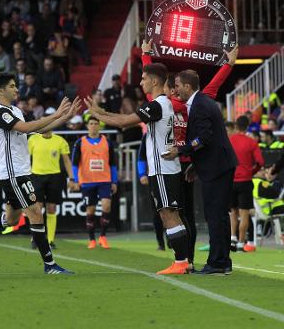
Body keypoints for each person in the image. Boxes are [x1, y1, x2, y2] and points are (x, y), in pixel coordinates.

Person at [0, 72, 80, 275]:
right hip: (13, 173)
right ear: (1, 90)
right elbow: (27, 127)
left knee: (12, 219)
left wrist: (65, 117)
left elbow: (38, 129)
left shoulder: (15, 111)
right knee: (36, 212)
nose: (16, 89)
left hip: (19, 171)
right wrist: (56, 114)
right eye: (12, 86)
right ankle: (50, 264)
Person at [85, 63, 191, 275]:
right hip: (167, 167)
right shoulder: (164, 104)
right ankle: (184, 260)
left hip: (162, 169)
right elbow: (125, 120)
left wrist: (98, 112)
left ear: (154, 81)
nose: (141, 82)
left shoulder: (156, 105)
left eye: (143, 79)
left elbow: (124, 122)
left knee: (168, 215)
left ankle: (181, 262)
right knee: (172, 215)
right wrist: (101, 112)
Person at [141, 40, 236, 269]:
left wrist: (228, 65)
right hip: (183, 162)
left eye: (176, 86)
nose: (173, 89)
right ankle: (188, 260)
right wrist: (146, 55)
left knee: (185, 215)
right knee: (182, 214)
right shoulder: (166, 105)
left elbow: (211, 87)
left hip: (182, 162)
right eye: (171, 86)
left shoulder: (185, 104)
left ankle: (189, 260)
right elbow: (150, 84)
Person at [167, 69, 238, 275]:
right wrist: (195, 165)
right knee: (219, 215)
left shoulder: (199, 106)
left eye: (178, 86)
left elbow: (203, 138)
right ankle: (222, 261)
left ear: (187, 87)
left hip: (217, 167)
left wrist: (180, 150)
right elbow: (208, 138)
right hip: (217, 165)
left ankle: (217, 263)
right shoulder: (202, 102)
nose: (176, 90)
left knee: (215, 215)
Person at [28, 107, 75, 248]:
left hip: (55, 177)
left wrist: (72, 178)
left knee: (51, 209)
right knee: (37, 209)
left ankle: (50, 240)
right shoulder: (33, 139)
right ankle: (35, 238)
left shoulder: (60, 141)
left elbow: (66, 161)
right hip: (37, 176)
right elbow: (25, 159)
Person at [71, 116, 118, 249]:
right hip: (87, 181)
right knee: (90, 210)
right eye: (91, 124)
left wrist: (114, 181)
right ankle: (91, 239)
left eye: (95, 124)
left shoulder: (107, 142)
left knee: (106, 206)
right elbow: (74, 164)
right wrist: (76, 180)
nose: (93, 126)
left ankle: (103, 236)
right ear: (87, 126)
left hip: (104, 180)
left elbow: (113, 164)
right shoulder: (80, 142)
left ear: (99, 126)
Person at [229, 115, 264, 252]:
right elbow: (260, 162)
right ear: (247, 126)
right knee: (244, 213)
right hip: (245, 181)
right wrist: (252, 171)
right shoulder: (252, 142)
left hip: (231, 180)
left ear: (236, 126)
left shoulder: (230, 140)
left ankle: (232, 238)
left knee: (232, 212)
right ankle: (241, 243)